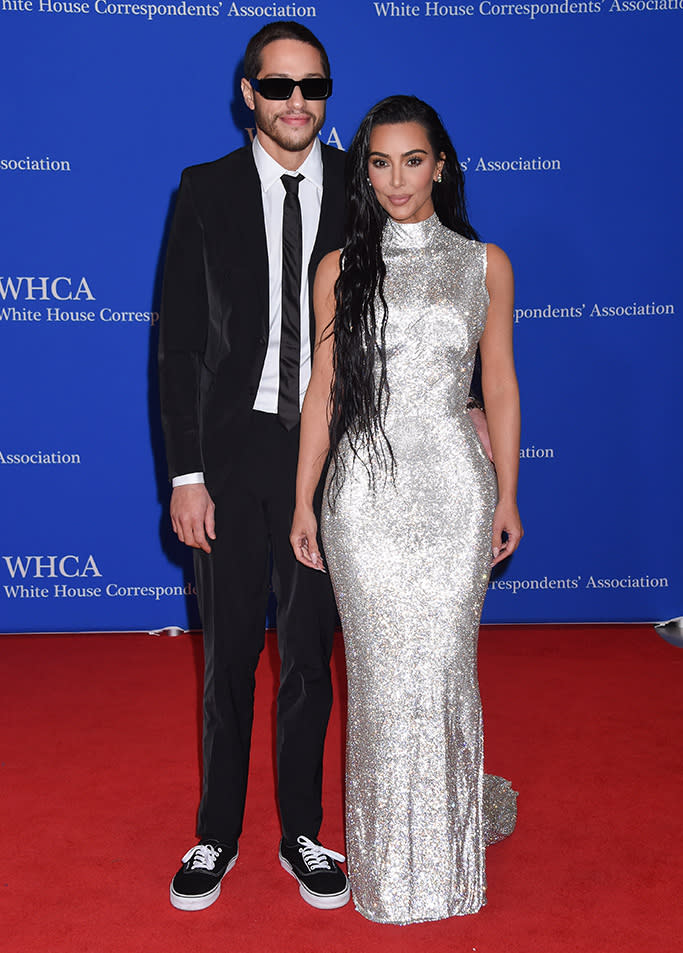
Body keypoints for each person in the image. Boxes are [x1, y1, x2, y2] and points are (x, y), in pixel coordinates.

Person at [290, 95, 522, 924]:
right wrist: (305, 499)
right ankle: (389, 863)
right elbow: (322, 393)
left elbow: (495, 383)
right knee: (382, 679)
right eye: (379, 163)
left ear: (441, 164)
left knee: (443, 669)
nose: (395, 179)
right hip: (362, 491)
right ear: (365, 172)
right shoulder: (340, 269)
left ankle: (450, 856)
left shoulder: (482, 263)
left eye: (412, 160)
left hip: (455, 490)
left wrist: (508, 491)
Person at [158, 21, 350, 912]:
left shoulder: (360, 186)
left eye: (312, 86)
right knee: (228, 655)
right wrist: (184, 473)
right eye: (278, 87)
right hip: (231, 458)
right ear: (248, 93)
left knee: (309, 653)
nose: (296, 104)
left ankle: (303, 831)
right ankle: (215, 833)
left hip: (330, 457)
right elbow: (181, 345)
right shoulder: (204, 190)